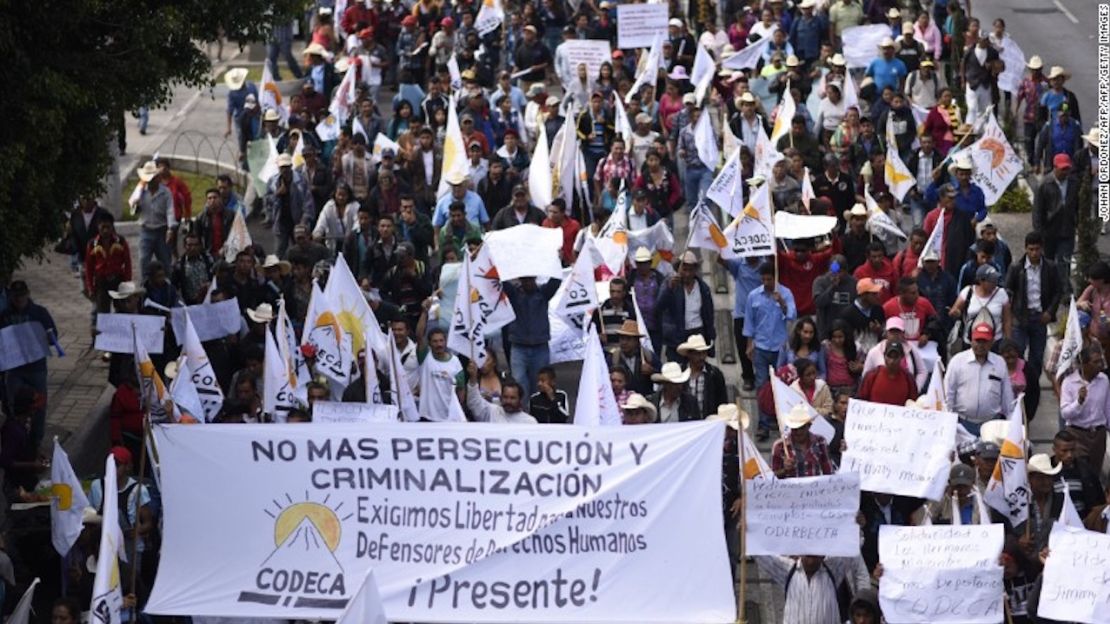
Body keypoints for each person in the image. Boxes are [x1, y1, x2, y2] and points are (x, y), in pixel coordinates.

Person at [1005, 231, 1062, 420]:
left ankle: (1031, 389)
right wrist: (1011, 314)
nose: (1034, 253)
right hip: (1021, 318)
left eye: (1037, 249)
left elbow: (1057, 291)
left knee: (1037, 358)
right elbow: (1008, 290)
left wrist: (1050, 312)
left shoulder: (1051, 268)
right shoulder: (1016, 267)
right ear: (1025, 249)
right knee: (1018, 353)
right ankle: (1015, 386)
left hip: (1040, 318)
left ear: (1042, 249)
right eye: (1031, 249)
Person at [0, 282, 57, 448]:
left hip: (36, 368)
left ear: (28, 294)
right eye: (16, 296)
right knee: (13, 406)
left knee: (39, 406)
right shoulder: (4, 315)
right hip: (14, 369)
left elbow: (53, 336)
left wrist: (48, 336)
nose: (19, 299)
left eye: (22, 295)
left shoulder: (39, 313)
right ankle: (15, 439)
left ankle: (35, 441)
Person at [945, 322, 1015, 435]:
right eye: (978, 341)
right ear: (971, 340)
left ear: (992, 342)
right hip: (962, 424)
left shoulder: (999, 363)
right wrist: (948, 421)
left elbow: (1007, 396)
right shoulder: (957, 361)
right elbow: (949, 393)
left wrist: (1011, 422)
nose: (980, 345)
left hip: (992, 424)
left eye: (985, 341)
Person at [502, 275, 561, 400]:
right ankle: (521, 416)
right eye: (524, 280)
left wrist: (558, 258)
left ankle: (538, 414)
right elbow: (501, 279)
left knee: (539, 385)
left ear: (535, 278)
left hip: (540, 347)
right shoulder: (514, 294)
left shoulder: (544, 293)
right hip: (519, 348)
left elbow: (556, 280)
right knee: (518, 385)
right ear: (520, 280)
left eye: (530, 279)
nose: (527, 282)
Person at [659, 251, 718, 363]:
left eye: (690, 270)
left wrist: (710, 336)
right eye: (684, 270)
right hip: (677, 336)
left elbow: (709, 315)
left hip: (697, 333)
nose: (687, 274)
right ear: (678, 269)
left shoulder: (703, 288)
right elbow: (659, 307)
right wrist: (669, 289)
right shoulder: (670, 284)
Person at [1059, 344, 1109, 475]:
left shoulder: (1104, 380)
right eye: (1096, 362)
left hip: (1098, 435)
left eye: (1101, 361)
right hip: (1077, 434)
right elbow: (1065, 414)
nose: (1100, 365)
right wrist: (1079, 402)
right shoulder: (1069, 383)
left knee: (1094, 474)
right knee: (1081, 472)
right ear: (1084, 364)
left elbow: (1107, 408)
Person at [1032, 153, 1079, 289]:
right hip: (1049, 231)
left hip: (1067, 229)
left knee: (1064, 262)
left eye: (1067, 168)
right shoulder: (1044, 184)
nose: (1065, 172)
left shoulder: (1074, 183)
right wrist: (1039, 233)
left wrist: (1079, 223)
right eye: (1062, 169)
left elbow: (1079, 205)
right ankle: (1049, 288)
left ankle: (1064, 290)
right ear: (1055, 168)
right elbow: (1037, 211)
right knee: (1048, 262)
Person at [129, 161, 177, 280]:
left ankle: (167, 285)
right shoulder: (140, 190)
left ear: (157, 178)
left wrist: (170, 229)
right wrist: (136, 203)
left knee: (165, 261)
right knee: (143, 259)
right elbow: (133, 206)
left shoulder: (165, 192)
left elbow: (170, 210)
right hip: (146, 230)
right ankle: (145, 285)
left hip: (162, 229)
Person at [1050, 430, 1105, 519]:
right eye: (1064, 451)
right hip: (1056, 526)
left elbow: (1098, 500)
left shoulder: (1086, 471)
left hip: (1083, 525)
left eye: (1072, 450)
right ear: (1054, 450)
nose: (1069, 455)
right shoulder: (1046, 471)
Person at [772, 404, 835, 478]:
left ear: (809, 426)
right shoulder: (780, 446)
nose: (798, 432)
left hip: (816, 488)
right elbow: (772, 478)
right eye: (794, 428)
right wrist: (785, 470)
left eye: (801, 428)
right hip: (791, 488)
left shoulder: (820, 442)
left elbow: (829, 472)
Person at [417, 328, 465, 422]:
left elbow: (461, 388)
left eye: (441, 340)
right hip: (427, 417)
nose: (439, 344)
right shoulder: (425, 357)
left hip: (448, 417)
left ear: (445, 341)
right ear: (429, 343)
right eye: (435, 341)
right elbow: (419, 335)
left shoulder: (455, 362)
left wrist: (457, 409)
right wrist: (424, 313)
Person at [465, 361, 536, 424]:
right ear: (501, 397)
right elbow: (474, 402)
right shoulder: (492, 412)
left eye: (512, 398)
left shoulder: (529, 422)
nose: (508, 401)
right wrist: (473, 378)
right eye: (505, 397)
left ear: (520, 399)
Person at [678, 334, 727, 417]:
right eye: (697, 354)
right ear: (689, 355)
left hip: (708, 421)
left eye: (704, 353)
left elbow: (722, 402)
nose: (701, 357)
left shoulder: (714, 374)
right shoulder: (680, 373)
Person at [858, 340, 919, 406]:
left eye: (895, 357)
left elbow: (913, 404)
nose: (892, 361)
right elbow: (861, 400)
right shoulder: (872, 376)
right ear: (884, 356)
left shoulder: (908, 378)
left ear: (902, 357)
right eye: (889, 356)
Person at [812, 257, 857, 340]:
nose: (835, 275)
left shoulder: (854, 283)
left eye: (839, 272)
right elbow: (818, 303)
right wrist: (832, 287)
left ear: (845, 271)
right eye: (833, 272)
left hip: (847, 331)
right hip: (825, 331)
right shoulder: (820, 281)